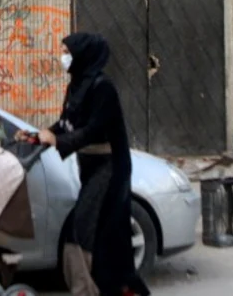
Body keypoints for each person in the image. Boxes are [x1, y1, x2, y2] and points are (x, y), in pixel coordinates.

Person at [19, 34, 149, 296]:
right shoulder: (76, 85)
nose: (62, 57)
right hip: (89, 167)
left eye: (66, 51)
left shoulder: (103, 88)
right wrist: (37, 135)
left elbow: (92, 130)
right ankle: (119, 287)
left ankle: (85, 289)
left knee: (83, 228)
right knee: (107, 234)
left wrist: (57, 140)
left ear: (82, 54)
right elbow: (67, 123)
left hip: (109, 168)